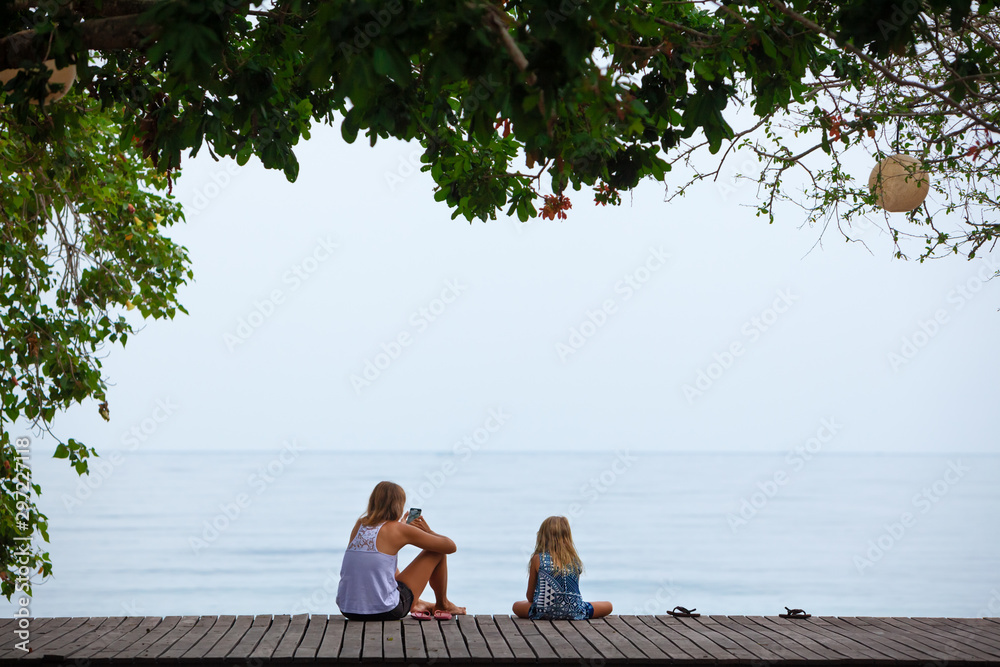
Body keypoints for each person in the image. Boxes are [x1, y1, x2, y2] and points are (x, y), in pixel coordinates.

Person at [336, 481, 466, 620]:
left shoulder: (361, 524)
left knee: (381, 560)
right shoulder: (398, 529)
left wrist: (402, 528)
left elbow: (376, 563)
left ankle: (418, 603)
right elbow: (449, 546)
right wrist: (428, 531)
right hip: (387, 611)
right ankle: (442, 604)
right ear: (398, 505)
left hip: (348, 610)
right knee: (436, 551)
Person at [512, 516, 612, 620]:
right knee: (609, 606)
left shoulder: (537, 558)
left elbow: (529, 597)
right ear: (567, 537)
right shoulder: (574, 560)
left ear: (542, 536)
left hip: (544, 612)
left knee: (516, 606)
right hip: (574, 611)